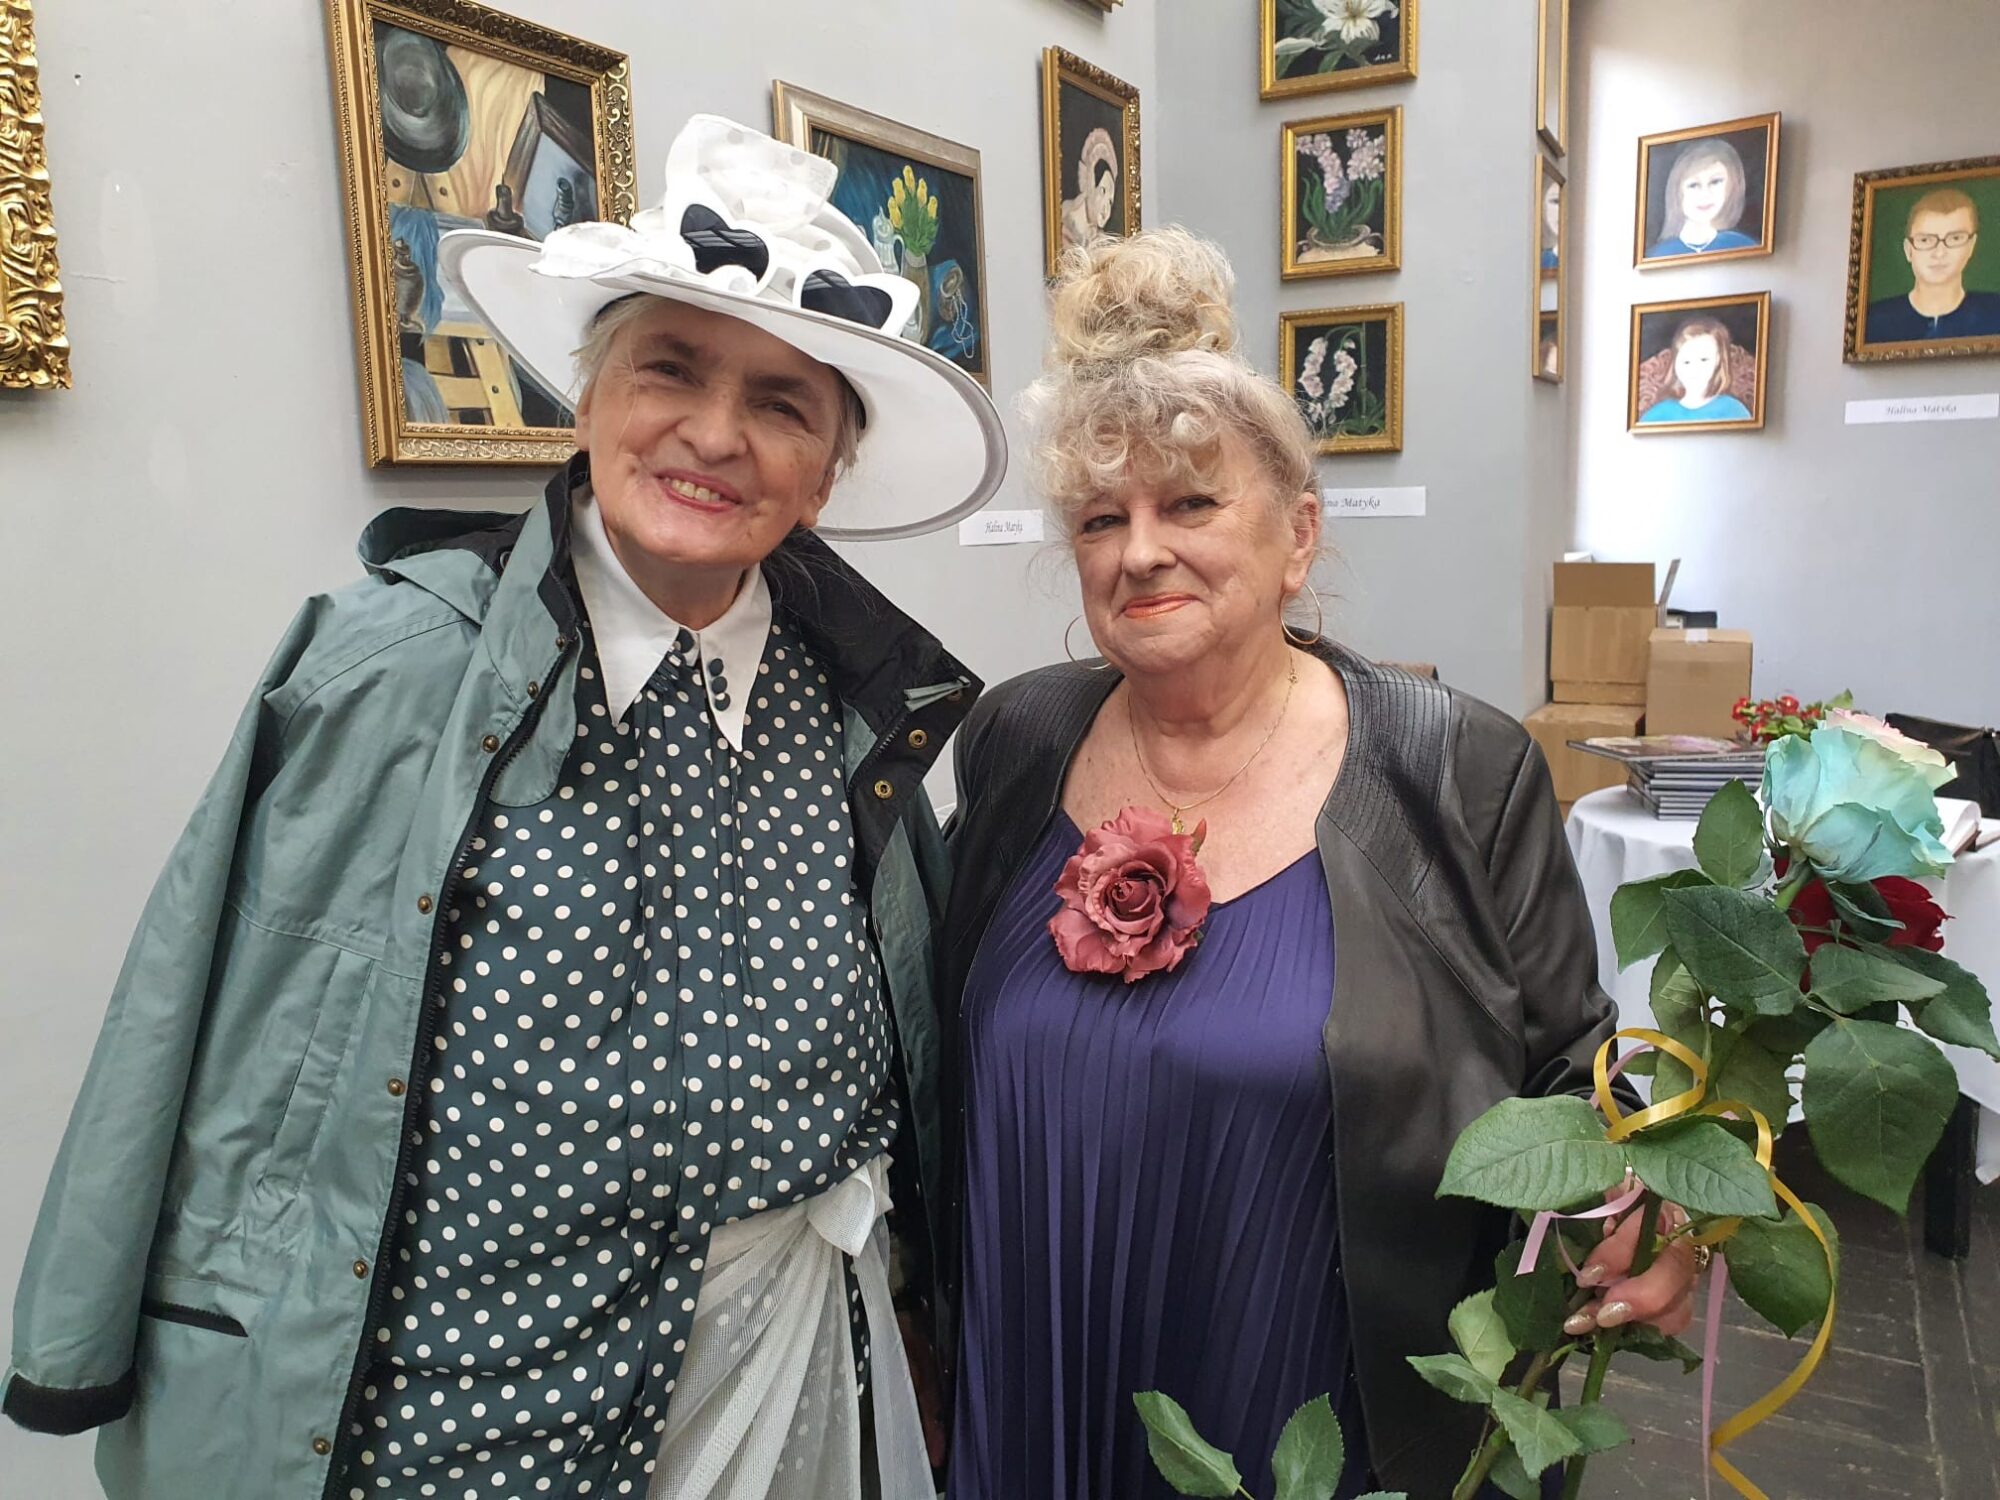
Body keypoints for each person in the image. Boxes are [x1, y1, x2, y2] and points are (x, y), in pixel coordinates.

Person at [4, 115, 1006, 1500]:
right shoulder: (387, 669)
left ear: (828, 469)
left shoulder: (857, 701)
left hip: (779, 1385)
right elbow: (189, 1021)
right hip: (465, 1414)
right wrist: (86, 1344)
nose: (716, 434)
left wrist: (931, 1310)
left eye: (783, 405)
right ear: (586, 399)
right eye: (670, 369)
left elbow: (910, 1052)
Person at [935, 229, 1701, 1500]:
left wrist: (1651, 1204)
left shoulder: (1454, 769)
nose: (1138, 551)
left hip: (1310, 1381)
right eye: (1100, 519)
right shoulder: (1015, 737)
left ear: (1296, 535)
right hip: (1035, 1359)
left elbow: (1572, 1070)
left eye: (1189, 504)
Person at [1865, 186, 2000, 343]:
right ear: (1908, 250)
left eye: (1955, 238)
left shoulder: (1995, 313)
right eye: (1925, 240)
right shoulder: (1872, 321)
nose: (1939, 253)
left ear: (1971, 246)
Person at [1649, 138, 1757, 258]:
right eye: (1694, 185)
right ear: (1676, 192)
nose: (1705, 194)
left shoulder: (1744, 245)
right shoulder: (1658, 255)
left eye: (1715, 182)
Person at [1639, 318, 1752, 424]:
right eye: (1686, 362)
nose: (1694, 369)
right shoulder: (1658, 414)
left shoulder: (1733, 410)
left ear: (1719, 361)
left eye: (1704, 360)